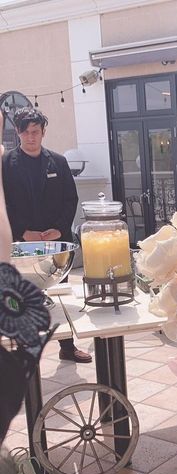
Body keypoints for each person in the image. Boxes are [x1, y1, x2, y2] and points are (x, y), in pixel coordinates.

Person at [2, 107, 91, 363]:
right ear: (17, 132)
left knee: (60, 297)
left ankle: (67, 346)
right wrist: (23, 232)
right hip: (21, 243)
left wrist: (59, 228)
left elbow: (70, 199)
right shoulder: (5, 164)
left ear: (43, 132)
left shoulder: (59, 162)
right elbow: (4, 203)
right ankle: (22, 351)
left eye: (36, 132)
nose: (31, 137)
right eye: (26, 132)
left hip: (55, 242)